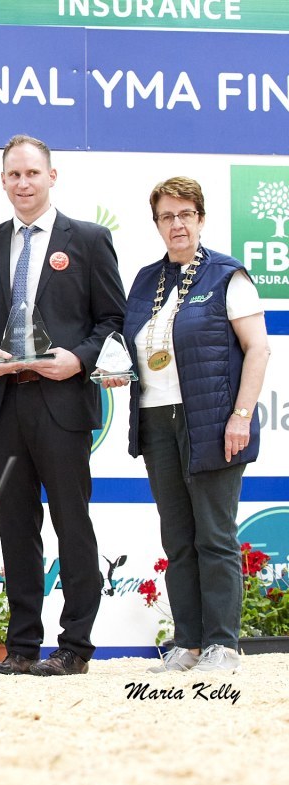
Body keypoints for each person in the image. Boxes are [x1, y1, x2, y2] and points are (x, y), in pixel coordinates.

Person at [0, 134, 125, 677]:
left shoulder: (90, 240)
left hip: (62, 403)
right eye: (14, 174)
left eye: (32, 173)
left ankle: (75, 646)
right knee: (14, 526)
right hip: (3, 405)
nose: (23, 183)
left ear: (52, 177)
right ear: (3, 181)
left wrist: (78, 359)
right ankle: (22, 646)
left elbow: (113, 320)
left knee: (72, 523)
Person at [102, 177, 269, 674]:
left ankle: (222, 645)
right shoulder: (145, 280)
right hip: (155, 419)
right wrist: (118, 371)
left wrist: (240, 416)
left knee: (214, 536)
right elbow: (135, 347)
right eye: (166, 216)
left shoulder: (226, 276)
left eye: (185, 214)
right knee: (177, 538)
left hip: (212, 421)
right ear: (157, 224)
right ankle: (188, 644)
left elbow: (258, 349)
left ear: (201, 218)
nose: (176, 224)